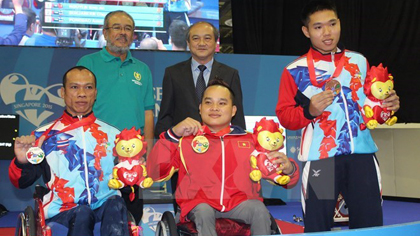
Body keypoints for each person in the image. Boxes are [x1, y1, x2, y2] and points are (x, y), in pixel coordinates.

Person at [275, 0, 400, 232]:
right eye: (318, 27)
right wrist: (308, 111)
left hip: (362, 156)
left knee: (369, 224)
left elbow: (370, 107)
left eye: (332, 24)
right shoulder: (294, 70)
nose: (327, 32)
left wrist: (387, 106)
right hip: (322, 158)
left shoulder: (359, 61)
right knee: (318, 225)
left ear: (340, 23)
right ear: (306, 31)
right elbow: (284, 116)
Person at [148, 79, 300, 236]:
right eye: (208, 102)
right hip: (198, 206)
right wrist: (172, 135)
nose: (214, 108)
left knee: (258, 209)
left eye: (222, 103)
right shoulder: (185, 140)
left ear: (233, 110)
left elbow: (284, 179)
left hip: (240, 204)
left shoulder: (252, 140)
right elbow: (155, 172)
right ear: (200, 108)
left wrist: (289, 169)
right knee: (204, 210)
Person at [9, 66, 129, 236]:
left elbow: (128, 185)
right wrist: (22, 161)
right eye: (74, 87)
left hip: (105, 210)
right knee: (83, 212)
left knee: (116, 202)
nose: (82, 93)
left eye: (88, 87)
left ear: (95, 93)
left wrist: (134, 171)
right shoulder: (44, 137)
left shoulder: (115, 135)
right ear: (62, 92)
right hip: (63, 212)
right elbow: (21, 182)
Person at [77, 10, 155, 224]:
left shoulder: (143, 69)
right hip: (96, 152)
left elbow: (148, 111)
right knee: (93, 212)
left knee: (132, 215)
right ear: (104, 32)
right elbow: (78, 105)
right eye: (116, 27)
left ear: (134, 35)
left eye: (128, 28)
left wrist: (147, 150)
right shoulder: (88, 62)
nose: (122, 33)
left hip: (132, 156)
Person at [155, 21, 246, 139]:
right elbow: (165, 116)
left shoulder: (230, 74)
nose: (201, 43)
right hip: (183, 145)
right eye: (196, 38)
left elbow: (237, 118)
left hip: (218, 145)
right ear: (188, 42)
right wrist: (164, 142)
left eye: (207, 38)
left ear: (215, 42)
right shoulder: (173, 73)